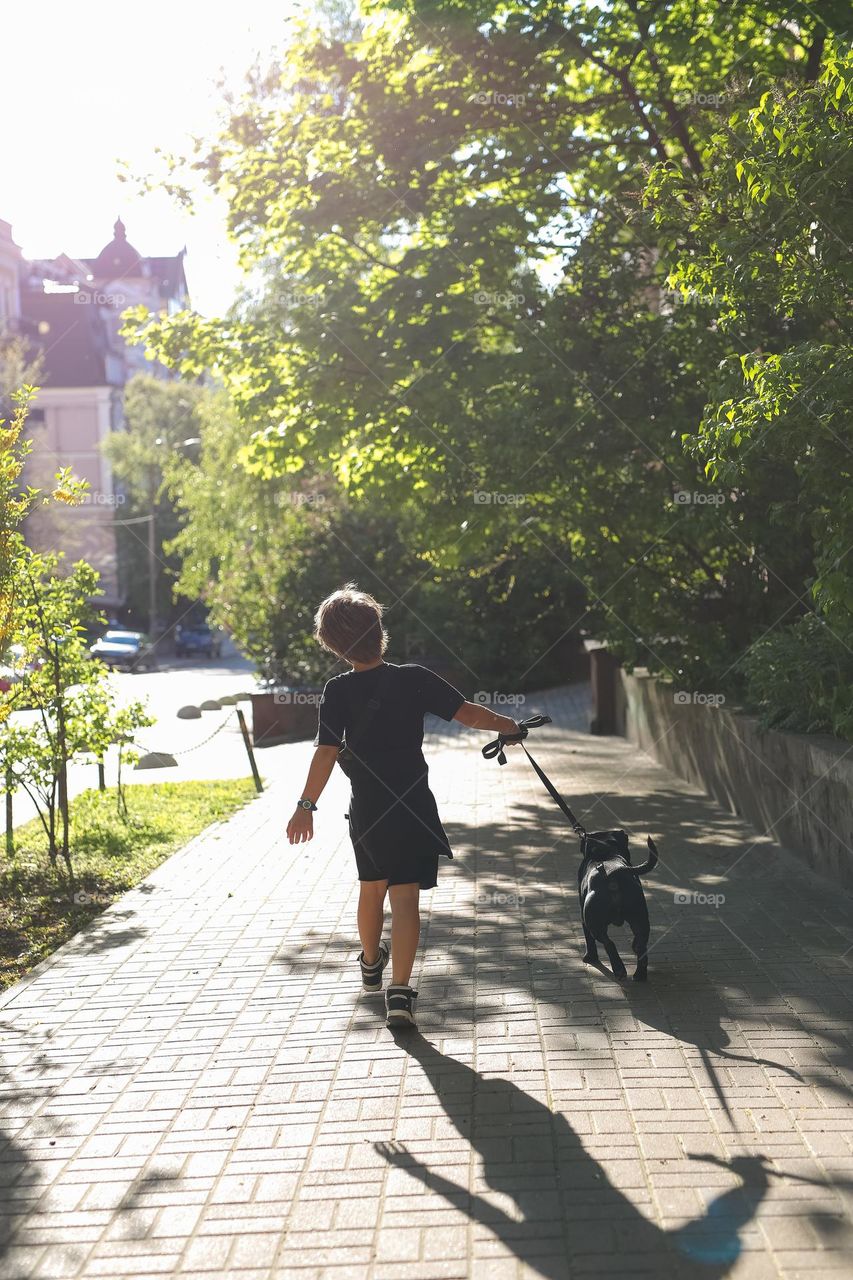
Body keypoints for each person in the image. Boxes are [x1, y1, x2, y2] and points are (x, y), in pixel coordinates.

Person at [286, 583, 524, 1030]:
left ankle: (371, 961)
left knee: (370, 886)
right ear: (380, 632)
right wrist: (507, 726)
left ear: (335, 646)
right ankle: (400, 996)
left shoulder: (336, 691)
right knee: (406, 899)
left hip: (367, 810)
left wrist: (306, 805)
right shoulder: (413, 678)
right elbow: (467, 712)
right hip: (412, 803)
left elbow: (325, 752)